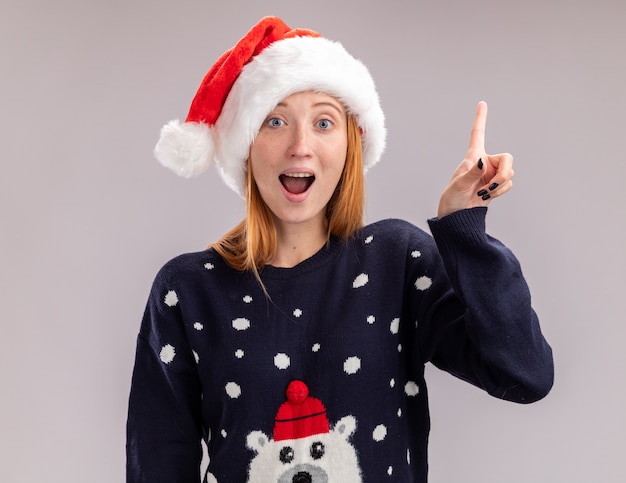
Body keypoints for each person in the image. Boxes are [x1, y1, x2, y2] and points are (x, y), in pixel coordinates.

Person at [126, 16, 554, 482]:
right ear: (246, 145)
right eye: (275, 120)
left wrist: (463, 229)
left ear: (351, 145)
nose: (300, 146)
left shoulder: (397, 262)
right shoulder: (188, 290)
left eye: (324, 122)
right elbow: (158, 462)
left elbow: (525, 373)